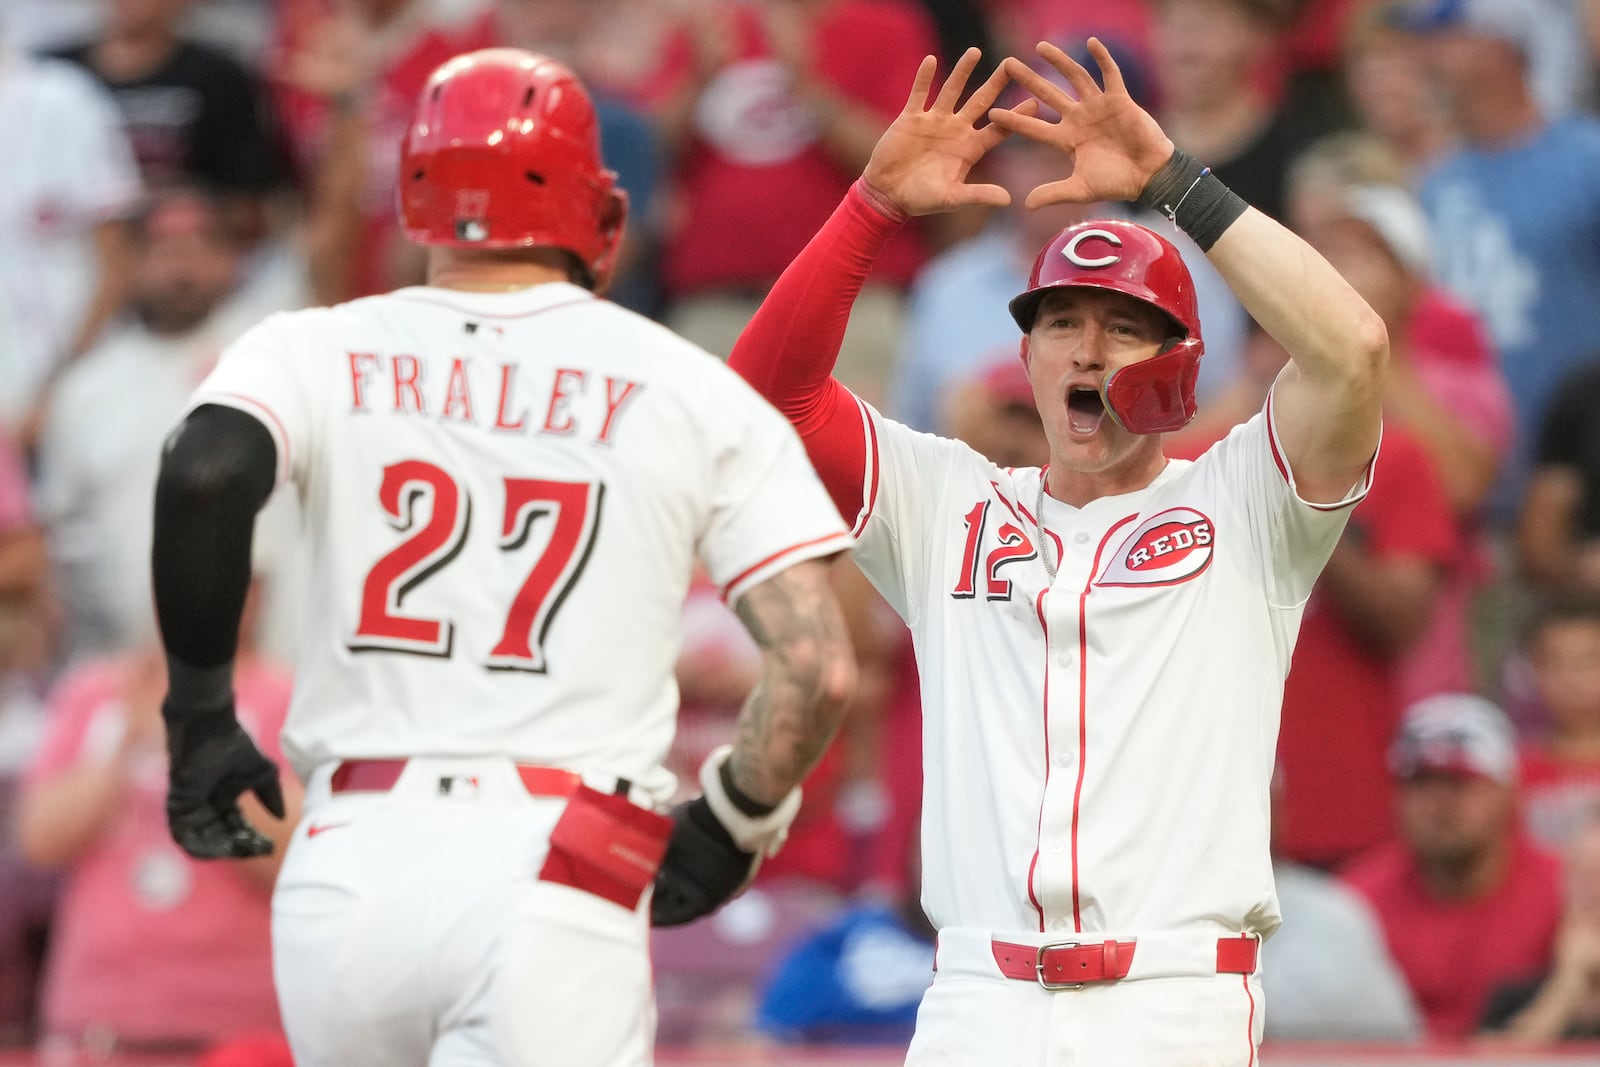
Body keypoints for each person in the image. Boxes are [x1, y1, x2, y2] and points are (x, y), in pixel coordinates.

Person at [150, 48, 857, 1067]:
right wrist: (738, 816)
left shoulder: (313, 343)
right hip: (561, 854)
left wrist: (201, 714)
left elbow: (206, 472)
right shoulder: (684, 383)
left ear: (416, 194)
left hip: (348, 856)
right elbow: (818, 664)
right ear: (597, 212)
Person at [726, 38, 1388, 1064]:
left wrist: (1177, 183)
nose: (1087, 348)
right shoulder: (944, 499)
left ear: (1183, 360)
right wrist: (869, 206)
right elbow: (766, 394)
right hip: (975, 996)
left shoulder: (1246, 497)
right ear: (1025, 355)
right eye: (1062, 322)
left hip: (1170, 996)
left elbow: (1351, 349)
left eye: (1126, 326)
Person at [1342, 694, 1563, 1040]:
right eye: (1421, 782)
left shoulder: (1562, 892)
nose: (1439, 803)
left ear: (1509, 791)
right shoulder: (1355, 902)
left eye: (1460, 782)